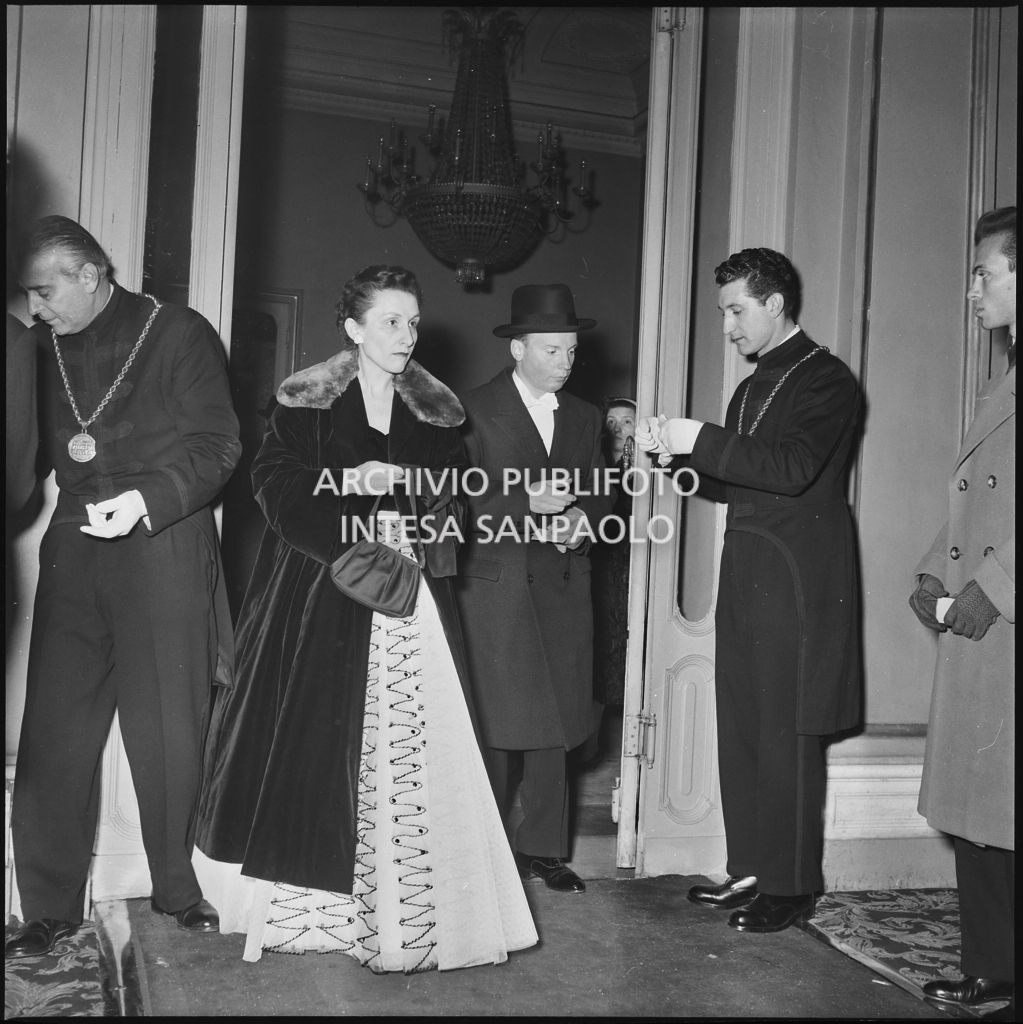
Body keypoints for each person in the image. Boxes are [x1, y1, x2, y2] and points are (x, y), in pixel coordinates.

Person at [193, 265, 537, 971]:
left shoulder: (435, 411)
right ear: (353, 328)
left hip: (407, 586)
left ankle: (406, 912)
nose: (405, 336)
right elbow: (273, 481)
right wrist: (348, 491)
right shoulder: (308, 398)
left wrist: (417, 497)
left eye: (412, 322)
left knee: (409, 737)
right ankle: (317, 915)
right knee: (316, 738)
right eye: (390, 321)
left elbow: (453, 500)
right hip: (322, 581)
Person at [6, 215, 240, 958]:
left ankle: (175, 888)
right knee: (54, 730)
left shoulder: (178, 332)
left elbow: (218, 446)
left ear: (90, 275)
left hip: (163, 541)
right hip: (75, 545)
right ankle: (47, 908)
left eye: (44, 292)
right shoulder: (35, 346)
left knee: (168, 728)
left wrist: (144, 501)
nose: (35, 308)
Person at [636, 247, 862, 933]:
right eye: (723, 312)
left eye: (736, 311)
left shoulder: (827, 379)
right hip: (746, 570)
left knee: (785, 731)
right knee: (740, 726)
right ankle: (754, 868)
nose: (727, 326)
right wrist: (675, 460)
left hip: (796, 579)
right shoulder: (750, 386)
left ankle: (791, 887)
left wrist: (698, 436)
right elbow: (737, 479)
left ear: (774, 303)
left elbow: (791, 468)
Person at [455, 283, 613, 894]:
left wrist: (583, 522)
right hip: (497, 593)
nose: (565, 362)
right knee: (498, 732)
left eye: (571, 351)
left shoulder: (585, 416)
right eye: (552, 350)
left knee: (557, 729)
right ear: (518, 348)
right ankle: (487, 850)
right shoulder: (469, 409)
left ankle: (543, 851)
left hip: (564, 588)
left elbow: (600, 492)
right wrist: (524, 503)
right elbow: (452, 502)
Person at [910, 207, 1015, 1020]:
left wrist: (997, 586)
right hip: (982, 618)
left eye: (985, 273)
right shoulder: (1004, 376)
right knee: (982, 812)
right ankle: (993, 968)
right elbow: (977, 502)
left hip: (1003, 613)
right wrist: (932, 570)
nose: (972, 289)